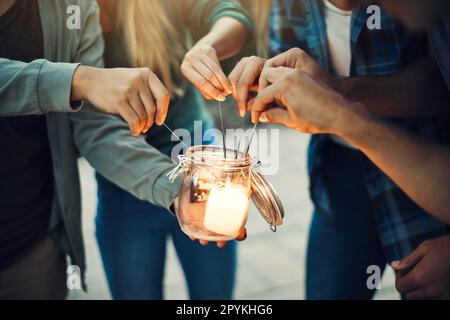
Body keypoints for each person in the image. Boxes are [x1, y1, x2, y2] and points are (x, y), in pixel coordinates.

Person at [230, 0, 449, 299]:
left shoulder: (425, 12)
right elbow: (289, 72)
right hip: (339, 175)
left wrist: (339, 100)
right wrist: (273, 81)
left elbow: (438, 86)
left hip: (421, 162)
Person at [0, 0, 183, 299]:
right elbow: (84, 85)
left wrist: (174, 186)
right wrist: (78, 79)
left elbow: (96, 128)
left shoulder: (75, 7)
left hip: (34, 246)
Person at [94, 0, 252, 300]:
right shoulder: (64, 20)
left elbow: (232, 14)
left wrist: (207, 47)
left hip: (198, 165)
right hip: (122, 176)